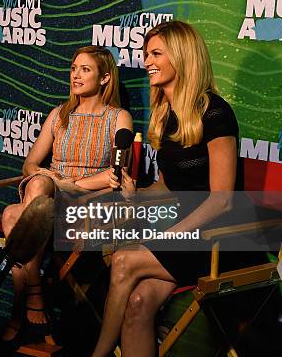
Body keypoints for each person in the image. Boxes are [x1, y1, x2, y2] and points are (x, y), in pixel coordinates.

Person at [91, 20, 240, 357]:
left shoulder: (216, 114)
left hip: (219, 239)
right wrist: (137, 194)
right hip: (183, 235)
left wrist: (170, 235)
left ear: (182, 57)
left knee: (124, 262)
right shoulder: (168, 114)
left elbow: (222, 201)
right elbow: (167, 186)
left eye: (156, 53)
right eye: (146, 54)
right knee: (139, 303)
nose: (146, 62)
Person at [0, 46, 132, 345]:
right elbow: (30, 164)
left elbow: (116, 174)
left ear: (104, 77)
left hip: (87, 202)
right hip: (50, 194)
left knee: (11, 215)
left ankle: (20, 308)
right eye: (74, 68)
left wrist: (70, 182)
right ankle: (34, 290)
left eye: (85, 69)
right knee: (37, 186)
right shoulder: (60, 114)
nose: (76, 75)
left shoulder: (118, 117)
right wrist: (50, 177)